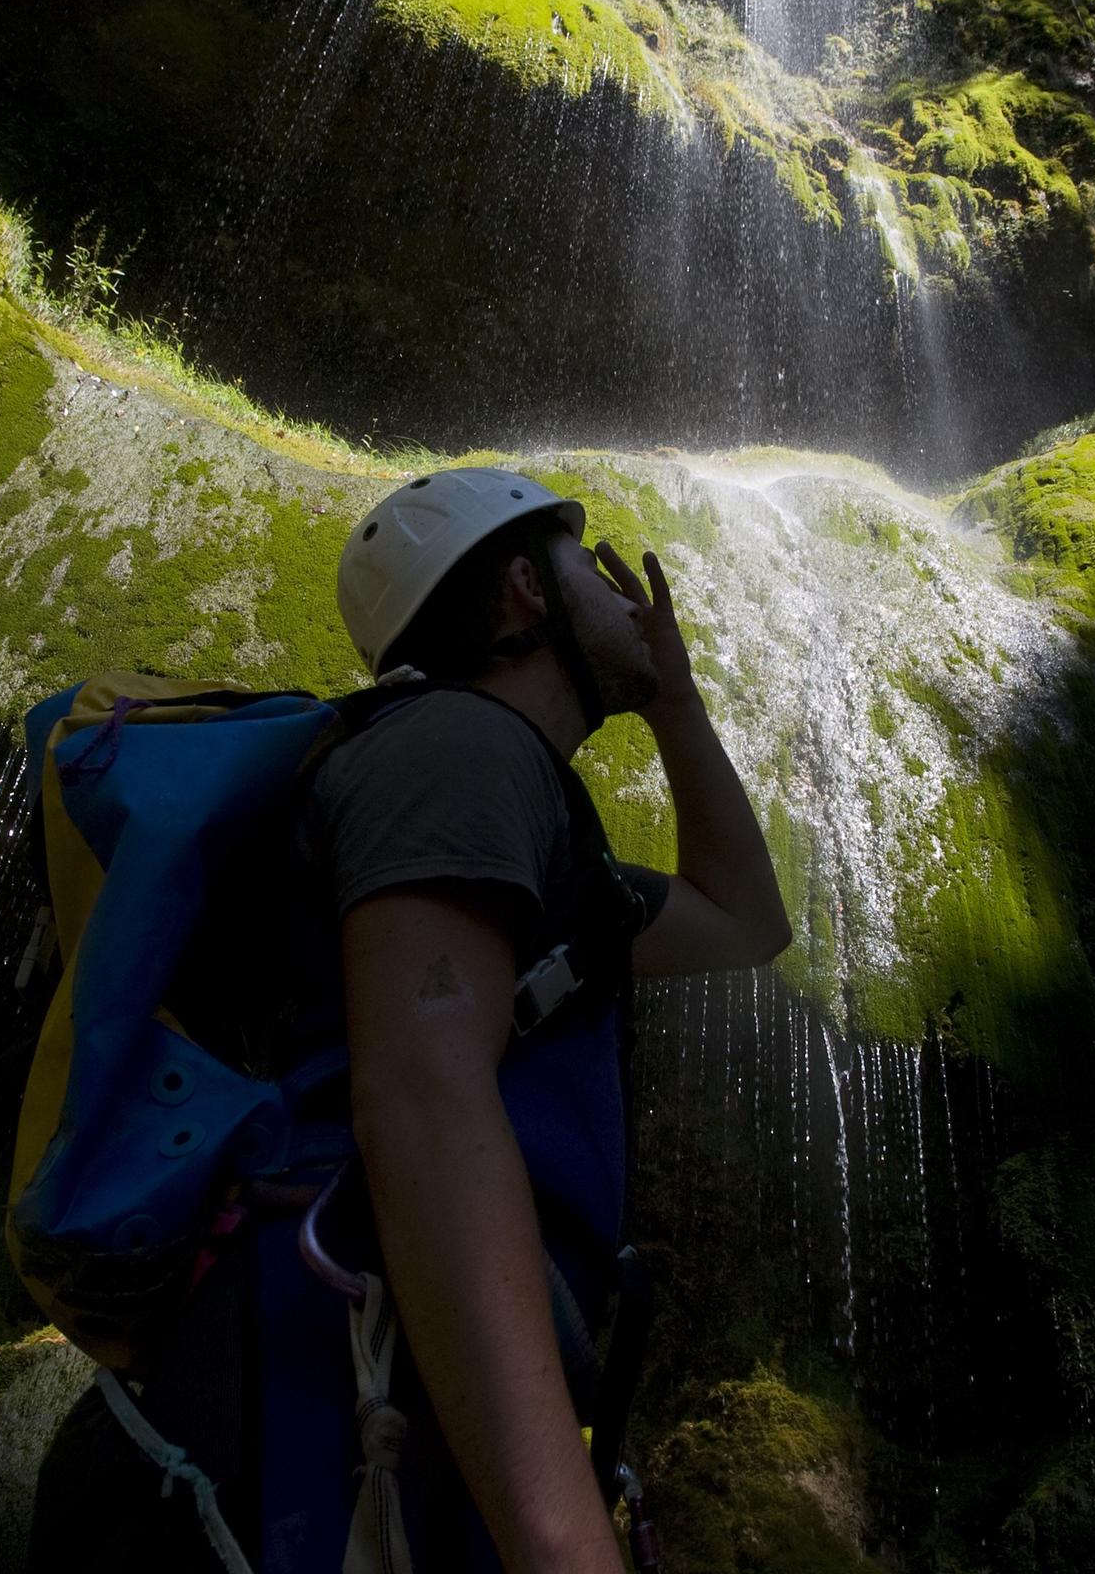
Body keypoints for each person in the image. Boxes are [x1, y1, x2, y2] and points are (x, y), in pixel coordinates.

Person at [325, 465, 791, 1574]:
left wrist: (673, 696)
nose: (630, 597)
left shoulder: (526, 823)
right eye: (592, 564)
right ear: (529, 590)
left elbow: (744, 920)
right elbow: (424, 1100)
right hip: (356, 1423)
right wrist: (567, 1546)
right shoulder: (455, 749)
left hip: (421, 1414)